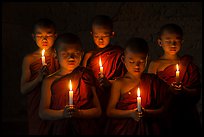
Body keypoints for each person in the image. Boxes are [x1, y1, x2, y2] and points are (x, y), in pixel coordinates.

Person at [105, 37, 171, 135]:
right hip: (124, 129)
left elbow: (165, 107)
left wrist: (147, 112)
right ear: (123, 59)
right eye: (131, 62)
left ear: (147, 59)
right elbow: (110, 111)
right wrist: (131, 114)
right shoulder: (119, 83)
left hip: (148, 127)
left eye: (141, 61)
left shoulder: (152, 80)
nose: (136, 66)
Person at [39, 33, 102, 135]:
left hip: (86, 128)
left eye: (76, 53)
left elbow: (97, 110)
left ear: (82, 54)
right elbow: (43, 113)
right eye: (65, 54)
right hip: (60, 128)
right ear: (55, 54)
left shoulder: (85, 76)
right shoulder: (49, 81)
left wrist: (79, 113)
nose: (71, 58)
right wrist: (62, 114)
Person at [148, 23, 201, 135]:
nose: (173, 44)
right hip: (164, 112)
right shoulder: (155, 64)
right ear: (160, 42)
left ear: (182, 42)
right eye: (168, 41)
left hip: (185, 113)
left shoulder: (187, 65)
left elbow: (197, 92)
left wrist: (184, 90)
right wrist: (167, 90)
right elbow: (150, 90)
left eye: (177, 40)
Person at [82, 15, 126, 134]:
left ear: (112, 34)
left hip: (111, 97)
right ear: (91, 34)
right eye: (97, 36)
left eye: (104, 36)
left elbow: (125, 80)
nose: (100, 40)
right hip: (94, 98)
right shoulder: (88, 56)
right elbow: (82, 78)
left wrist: (109, 83)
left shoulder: (118, 54)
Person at [20, 18, 59, 135]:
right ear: (33, 37)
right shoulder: (29, 59)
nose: (44, 39)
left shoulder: (60, 56)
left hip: (56, 103)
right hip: (37, 105)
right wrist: (38, 79)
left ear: (56, 36)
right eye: (39, 35)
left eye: (48, 34)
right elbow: (23, 89)